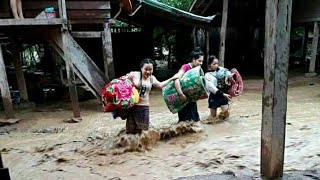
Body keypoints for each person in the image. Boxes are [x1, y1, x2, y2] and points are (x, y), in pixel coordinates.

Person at [125, 58, 177, 134]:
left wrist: (172, 79)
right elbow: (122, 84)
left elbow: (160, 85)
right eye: (146, 69)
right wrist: (128, 80)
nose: (148, 72)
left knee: (142, 131)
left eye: (150, 69)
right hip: (132, 106)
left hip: (144, 107)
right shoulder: (134, 74)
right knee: (130, 130)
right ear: (141, 68)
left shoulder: (152, 78)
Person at [174, 47, 204, 123]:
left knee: (196, 122)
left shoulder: (197, 71)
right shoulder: (185, 67)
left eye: (202, 61)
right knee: (184, 123)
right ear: (193, 59)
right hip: (183, 100)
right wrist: (181, 94)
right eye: (199, 61)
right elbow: (176, 79)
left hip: (192, 101)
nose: (201, 63)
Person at [203, 55, 232, 123]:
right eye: (214, 64)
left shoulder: (222, 70)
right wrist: (223, 94)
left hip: (223, 94)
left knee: (226, 116)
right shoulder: (207, 75)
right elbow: (211, 88)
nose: (216, 65)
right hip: (214, 96)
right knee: (213, 119)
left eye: (217, 64)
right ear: (210, 65)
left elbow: (229, 78)